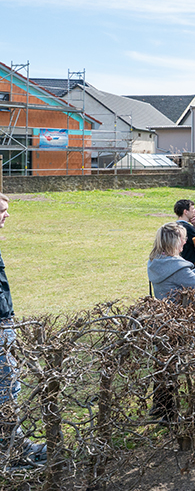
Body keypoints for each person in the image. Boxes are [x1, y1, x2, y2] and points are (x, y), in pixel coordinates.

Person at [0, 194, 46, 471]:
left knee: (10, 384)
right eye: (2, 210)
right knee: (6, 388)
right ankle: (12, 451)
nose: (7, 215)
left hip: (5, 323)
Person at [147, 222, 195, 301]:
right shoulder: (176, 267)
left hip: (165, 306)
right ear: (175, 242)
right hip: (183, 308)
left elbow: (186, 277)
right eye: (183, 239)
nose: (185, 242)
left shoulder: (156, 261)